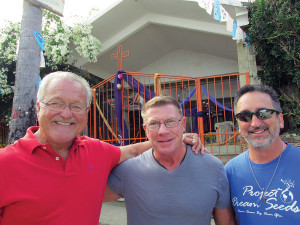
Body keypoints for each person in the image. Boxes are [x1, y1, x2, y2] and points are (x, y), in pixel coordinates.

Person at [0, 72, 203, 225]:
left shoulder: (95, 151)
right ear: (38, 107)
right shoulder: (5, 163)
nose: (66, 114)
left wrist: (177, 137)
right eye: (56, 103)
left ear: (87, 112)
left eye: (76, 106)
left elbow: (132, 151)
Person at [104, 95, 236, 225]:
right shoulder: (128, 170)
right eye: (154, 123)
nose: (163, 131)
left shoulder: (213, 168)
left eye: (171, 121)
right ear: (146, 130)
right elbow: (89, 196)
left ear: (183, 124)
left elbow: (226, 221)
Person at [225, 84, 300, 224]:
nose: (255, 123)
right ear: (238, 125)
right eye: (244, 116)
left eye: (264, 113)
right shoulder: (230, 172)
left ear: (280, 119)